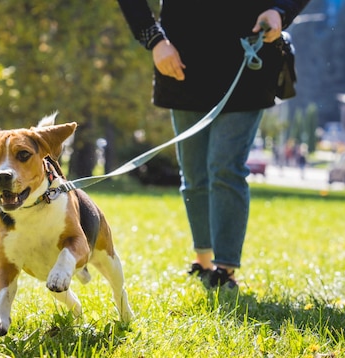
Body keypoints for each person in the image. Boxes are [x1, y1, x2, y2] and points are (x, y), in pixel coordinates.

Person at [117, 0, 310, 289]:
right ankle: (203, 260)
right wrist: (155, 40)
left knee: (225, 166)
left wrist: (280, 11)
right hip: (181, 64)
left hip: (248, 62)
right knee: (194, 172)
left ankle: (226, 269)